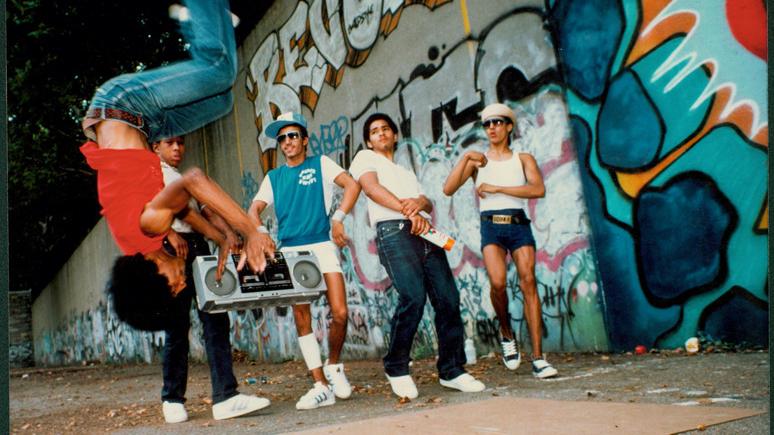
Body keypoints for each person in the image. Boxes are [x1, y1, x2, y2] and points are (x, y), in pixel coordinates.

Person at [79, 1, 273, 419]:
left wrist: (250, 229)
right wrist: (224, 238)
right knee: (220, 100)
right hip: (138, 123)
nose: (180, 281)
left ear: (153, 274)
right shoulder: (140, 237)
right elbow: (181, 208)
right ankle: (203, 22)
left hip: (123, 104)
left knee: (219, 72)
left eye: (172, 284)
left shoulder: (147, 225)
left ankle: (202, 9)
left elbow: (193, 181)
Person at [349, 113, 485, 399]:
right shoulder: (365, 159)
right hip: (394, 232)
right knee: (413, 296)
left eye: (386, 129)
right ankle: (396, 365)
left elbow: (427, 201)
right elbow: (372, 189)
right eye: (375, 131)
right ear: (368, 141)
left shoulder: (407, 171)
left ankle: (452, 370)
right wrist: (409, 211)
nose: (381, 133)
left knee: (448, 299)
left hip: (425, 233)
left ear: (395, 136)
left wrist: (418, 205)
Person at [248, 112, 360, 410]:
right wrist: (260, 233)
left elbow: (352, 185)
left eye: (292, 135)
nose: (287, 142)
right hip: (291, 252)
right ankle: (320, 384)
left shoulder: (320, 163)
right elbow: (253, 210)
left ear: (304, 140)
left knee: (340, 311)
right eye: (282, 138)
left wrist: (338, 219)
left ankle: (334, 366)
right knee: (302, 317)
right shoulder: (274, 177)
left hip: (322, 243)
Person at [443, 103, 558, 379]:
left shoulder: (523, 158)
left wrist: (498, 188)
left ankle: (539, 358)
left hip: (518, 225)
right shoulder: (478, 160)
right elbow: (447, 189)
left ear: (508, 127)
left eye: (498, 123)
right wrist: (466, 158)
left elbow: (537, 189)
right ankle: (506, 333)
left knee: (528, 281)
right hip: (490, 227)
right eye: (487, 124)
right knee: (497, 283)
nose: (492, 128)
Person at [151, 137, 250, 423]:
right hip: (173, 248)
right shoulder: (149, 171)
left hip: (200, 247)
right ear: (155, 147)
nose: (177, 148)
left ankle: (225, 396)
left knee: (216, 319)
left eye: (181, 143)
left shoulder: (182, 178)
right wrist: (167, 235)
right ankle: (172, 397)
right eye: (170, 143)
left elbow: (206, 209)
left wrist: (229, 233)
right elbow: (146, 209)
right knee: (177, 326)